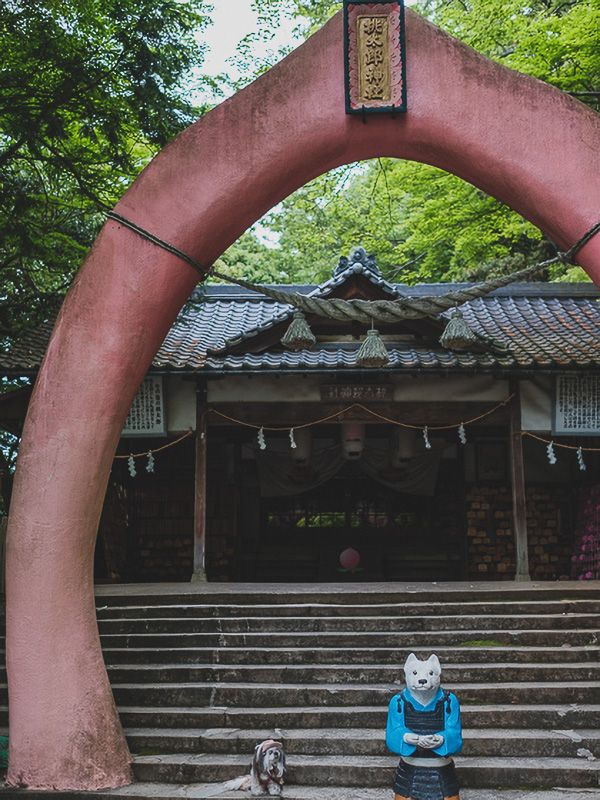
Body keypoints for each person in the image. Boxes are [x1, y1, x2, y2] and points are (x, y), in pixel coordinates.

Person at [386, 653, 462, 800]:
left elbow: (455, 733)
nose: (422, 679)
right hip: (409, 767)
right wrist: (407, 737)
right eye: (415, 673)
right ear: (406, 673)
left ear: (438, 674)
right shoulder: (398, 702)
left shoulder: (449, 701)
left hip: (442, 767)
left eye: (431, 673)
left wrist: (441, 739)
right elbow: (392, 733)